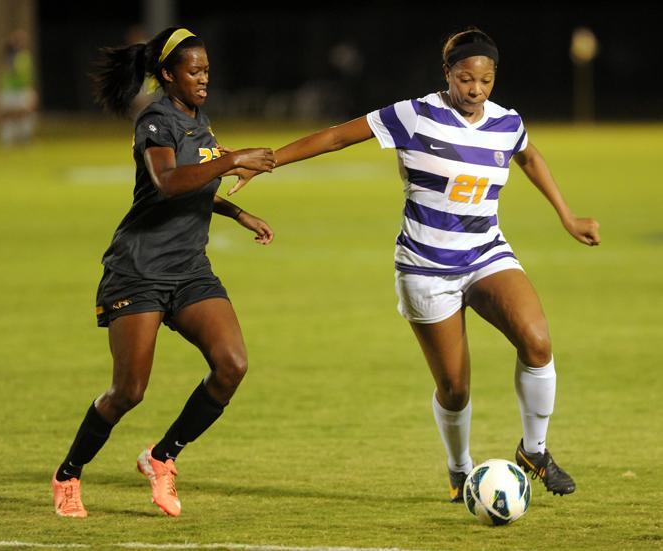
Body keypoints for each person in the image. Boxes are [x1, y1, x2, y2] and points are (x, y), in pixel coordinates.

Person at [229, 28, 601, 502]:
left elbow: (528, 156)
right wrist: (268, 161)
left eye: (485, 81)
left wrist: (566, 216)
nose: (476, 90)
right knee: (454, 387)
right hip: (425, 267)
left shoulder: (507, 122)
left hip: (486, 252)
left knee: (537, 339)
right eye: (466, 79)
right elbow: (339, 136)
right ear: (447, 73)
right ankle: (460, 469)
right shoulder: (414, 114)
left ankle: (535, 452)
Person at [51, 27, 276, 518]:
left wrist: (238, 215)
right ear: (168, 75)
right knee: (128, 391)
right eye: (193, 71)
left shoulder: (199, 119)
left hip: (189, 269)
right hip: (139, 270)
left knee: (232, 364)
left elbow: (198, 183)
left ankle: (161, 457)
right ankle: (68, 474)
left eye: (207, 71)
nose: (203, 79)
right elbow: (169, 181)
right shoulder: (155, 119)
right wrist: (235, 158)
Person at [0, 29, 38, 146]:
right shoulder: (8, 56)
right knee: (8, 117)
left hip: (22, 90)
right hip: (9, 91)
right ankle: (7, 142)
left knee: (26, 115)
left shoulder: (25, 56)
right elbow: (8, 73)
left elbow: (28, 76)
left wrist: (31, 90)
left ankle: (25, 141)